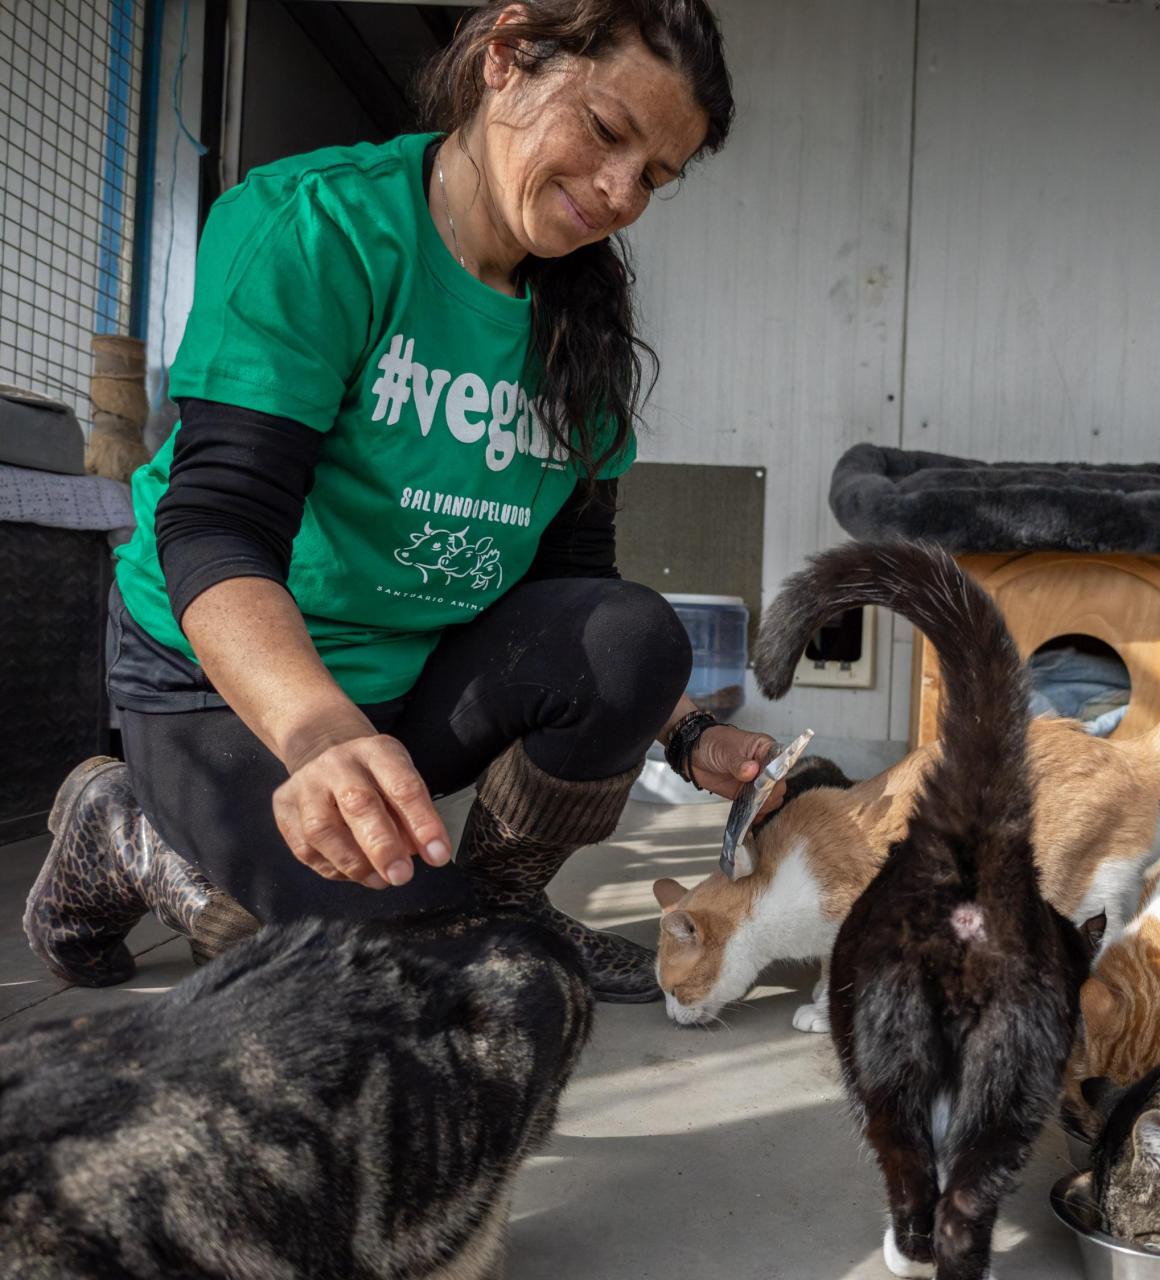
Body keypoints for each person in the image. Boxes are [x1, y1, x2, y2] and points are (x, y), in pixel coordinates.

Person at [24, 0, 776, 1005]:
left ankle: (499, 900)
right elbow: (215, 524)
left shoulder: (578, 323)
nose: (617, 191)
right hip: (236, 686)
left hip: (407, 687)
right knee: (406, 976)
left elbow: (577, 601)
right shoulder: (321, 228)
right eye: (605, 132)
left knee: (633, 636)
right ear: (506, 56)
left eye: (653, 176)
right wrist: (318, 733)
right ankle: (126, 827)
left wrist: (687, 734)